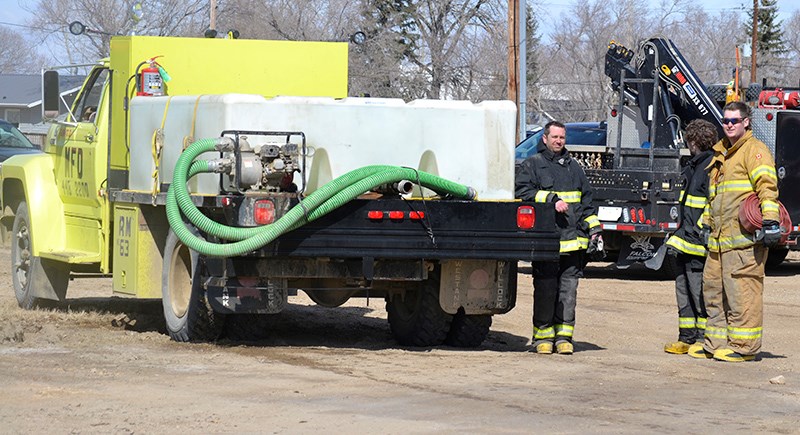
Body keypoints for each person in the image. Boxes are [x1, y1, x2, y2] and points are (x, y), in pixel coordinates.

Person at [688, 101, 781, 362]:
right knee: (714, 292)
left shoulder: (755, 150)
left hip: (744, 242)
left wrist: (771, 221)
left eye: (734, 121)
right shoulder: (721, 154)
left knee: (743, 294)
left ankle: (744, 347)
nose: (729, 125)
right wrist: (706, 224)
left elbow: (767, 188)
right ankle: (715, 343)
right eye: (726, 121)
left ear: (746, 122)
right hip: (719, 242)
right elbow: (715, 196)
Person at [515, 121, 601, 355]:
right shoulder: (533, 164)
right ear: (544, 138)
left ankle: (564, 337)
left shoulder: (574, 167)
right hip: (547, 241)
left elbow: (587, 201)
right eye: (554, 137)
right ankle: (542, 337)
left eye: (562, 137)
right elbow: (522, 192)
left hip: (574, 243)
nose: (558, 141)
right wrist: (551, 199)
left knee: (568, 291)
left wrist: (594, 229)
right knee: (545, 289)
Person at [663, 119, 717, 354]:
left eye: (689, 141)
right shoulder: (692, 167)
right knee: (682, 289)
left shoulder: (711, 168)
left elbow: (712, 204)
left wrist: (700, 230)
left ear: (694, 141)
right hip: (684, 240)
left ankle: (704, 339)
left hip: (698, 242)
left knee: (698, 291)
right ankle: (686, 337)